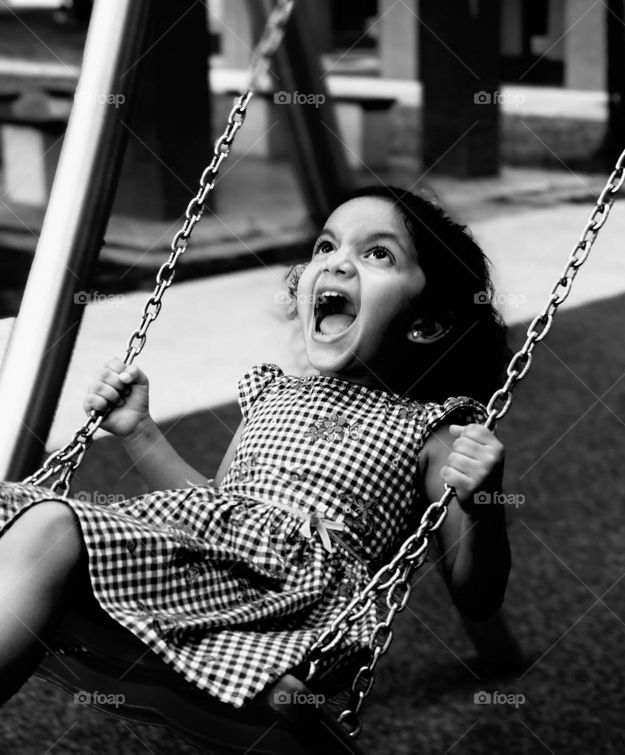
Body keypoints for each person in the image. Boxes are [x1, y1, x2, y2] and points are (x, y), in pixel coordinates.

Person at [0, 186, 513, 709]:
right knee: (23, 513)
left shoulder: (432, 431)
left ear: (426, 323)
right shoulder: (274, 393)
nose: (336, 265)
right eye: (325, 246)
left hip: (293, 606)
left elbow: (478, 594)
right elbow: (212, 506)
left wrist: (481, 503)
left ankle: (252, 659)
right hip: (209, 569)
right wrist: (140, 431)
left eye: (378, 253)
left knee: (49, 528)